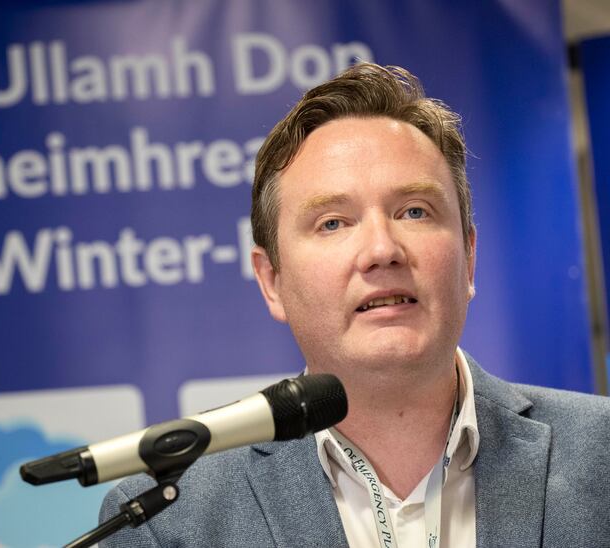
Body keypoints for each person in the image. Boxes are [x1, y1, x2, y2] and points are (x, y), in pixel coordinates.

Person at [98, 63, 610, 547]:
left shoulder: (601, 454)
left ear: (469, 259)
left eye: (414, 211)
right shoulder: (168, 522)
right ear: (272, 281)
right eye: (333, 223)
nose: (382, 250)